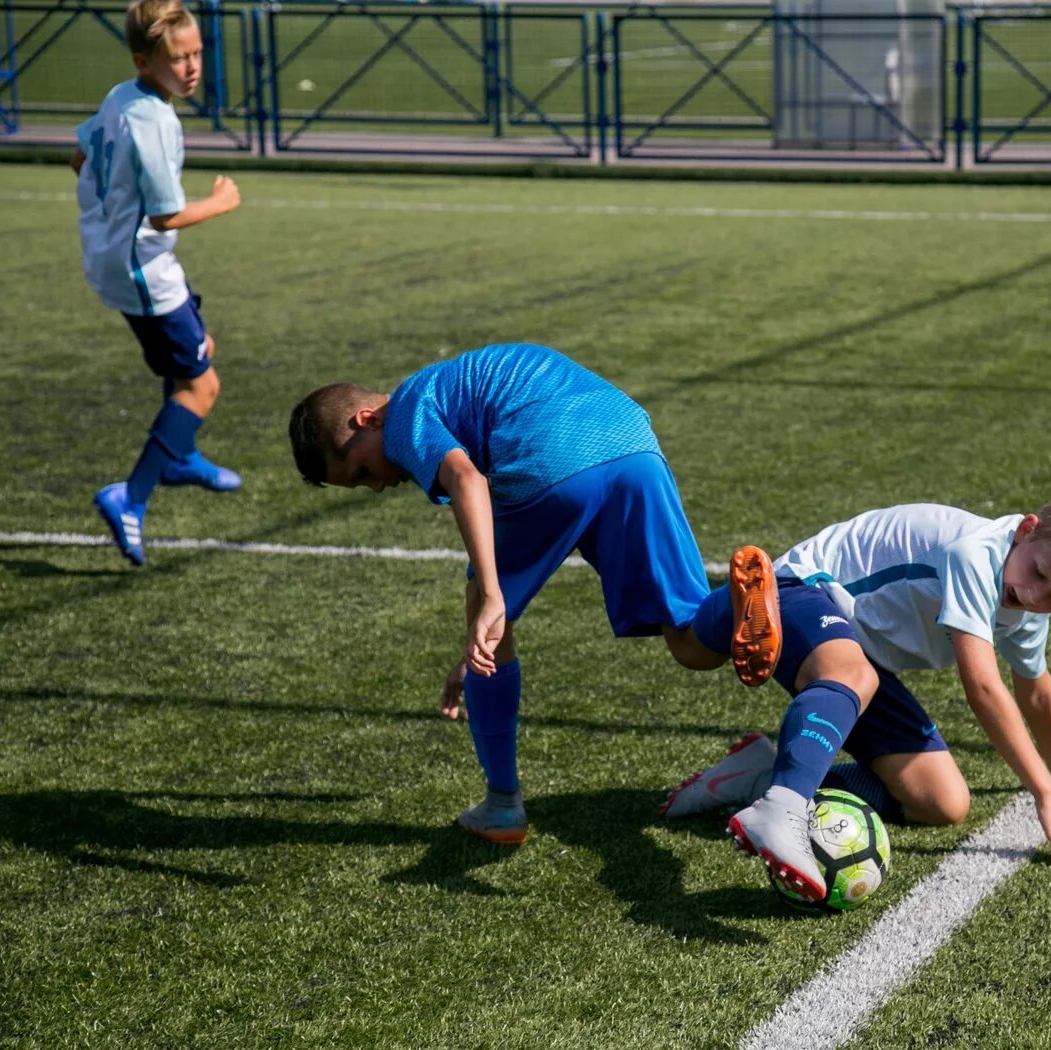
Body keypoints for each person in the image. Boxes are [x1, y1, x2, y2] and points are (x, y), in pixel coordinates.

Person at [287, 342, 783, 845]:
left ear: (366, 420)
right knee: (692, 644)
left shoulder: (404, 412)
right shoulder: (446, 386)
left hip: (553, 457)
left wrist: (491, 594)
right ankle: (745, 602)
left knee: (482, 607)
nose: (375, 486)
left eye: (362, 472)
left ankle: (503, 806)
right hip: (633, 446)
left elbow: (465, 477)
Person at [659, 492, 1051, 902]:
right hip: (803, 590)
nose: (1037, 597)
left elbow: (1035, 687)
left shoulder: (1028, 599)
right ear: (1026, 531)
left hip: (862, 652)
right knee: (706, 655)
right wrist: (1044, 796)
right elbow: (984, 687)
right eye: (1038, 575)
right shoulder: (975, 553)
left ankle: (765, 772)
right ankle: (781, 807)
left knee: (943, 802)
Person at [76, 0, 244, 566]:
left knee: (196, 354)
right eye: (178, 58)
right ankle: (131, 496)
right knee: (203, 386)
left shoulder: (119, 96)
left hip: (113, 257)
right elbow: (165, 216)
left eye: (197, 53)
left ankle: (178, 455)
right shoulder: (156, 120)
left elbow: (79, 158)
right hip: (143, 267)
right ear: (145, 61)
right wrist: (221, 203)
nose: (192, 67)